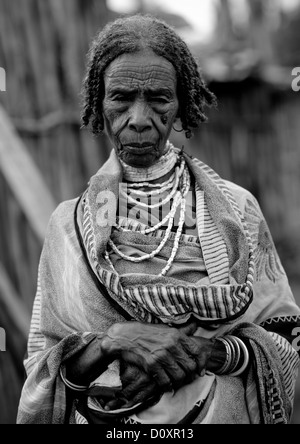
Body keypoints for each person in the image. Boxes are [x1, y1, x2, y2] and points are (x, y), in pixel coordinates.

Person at [17, 14, 300, 425]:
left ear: (181, 103)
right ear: (99, 103)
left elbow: (286, 342)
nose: (138, 118)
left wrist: (206, 354)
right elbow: (45, 373)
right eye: (121, 97)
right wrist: (115, 341)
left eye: (158, 98)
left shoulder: (236, 212)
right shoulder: (68, 227)